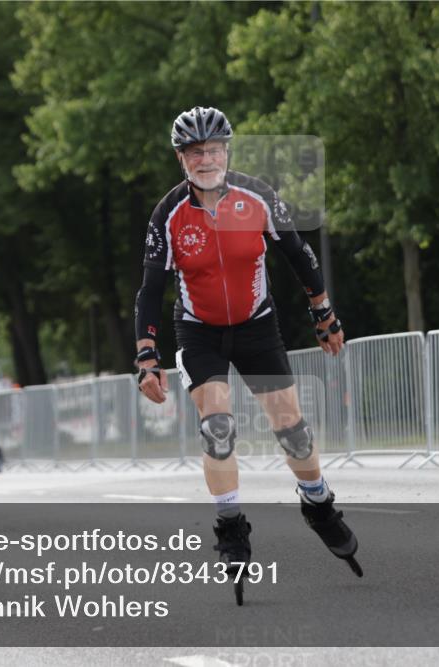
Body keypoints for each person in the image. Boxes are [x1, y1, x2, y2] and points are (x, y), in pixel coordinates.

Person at [134, 106, 360, 580]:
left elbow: (298, 252)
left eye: (213, 149)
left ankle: (318, 503)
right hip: (199, 330)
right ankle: (231, 525)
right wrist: (147, 354)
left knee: (292, 429)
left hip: (257, 325)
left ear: (226, 151)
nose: (206, 158)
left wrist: (324, 312)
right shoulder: (168, 214)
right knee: (217, 426)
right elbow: (152, 288)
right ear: (181, 159)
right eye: (195, 152)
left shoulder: (256, 196)